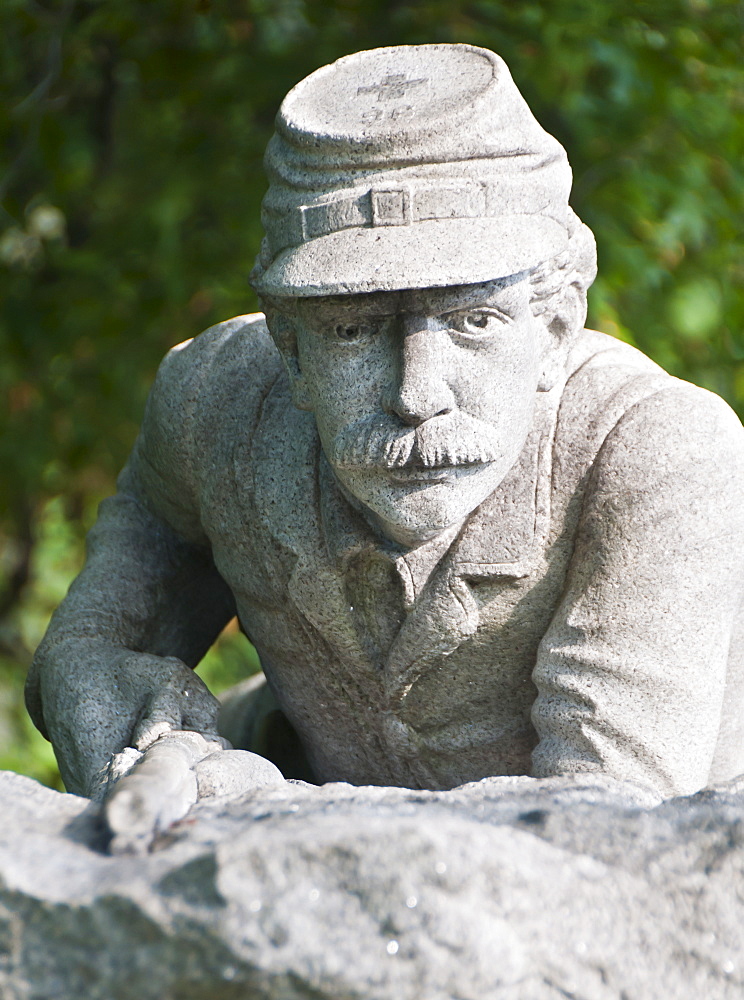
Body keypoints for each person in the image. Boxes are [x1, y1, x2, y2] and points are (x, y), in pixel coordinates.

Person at [26, 43, 744, 800]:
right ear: (289, 347)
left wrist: (257, 809)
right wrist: (124, 710)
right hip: (290, 766)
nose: (416, 394)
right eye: (353, 330)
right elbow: (89, 651)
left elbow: (600, 823)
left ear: (556, 326)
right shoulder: (213, 402)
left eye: (474, 320)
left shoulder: (657, 454)